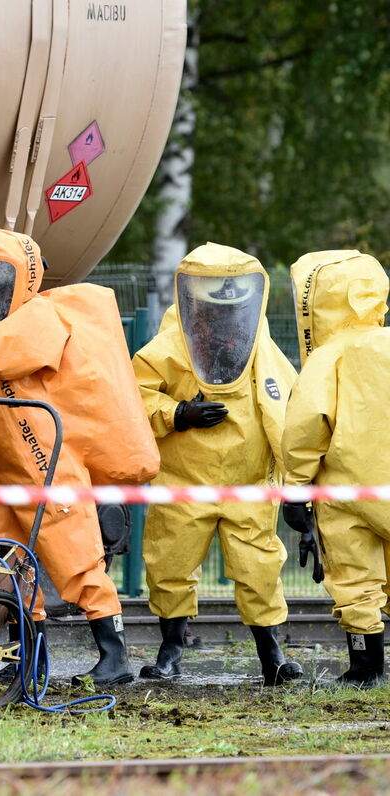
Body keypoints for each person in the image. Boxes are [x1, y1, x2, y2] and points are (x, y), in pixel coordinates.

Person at [0, 228, 152, 687]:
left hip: (46, 464)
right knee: (9, 569)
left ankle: (114, 657)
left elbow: (2, 359)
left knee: (76, 560)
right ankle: (29, 661)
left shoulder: (36, 318)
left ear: (20, 277)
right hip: (1, 475)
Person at [132, 242, 302, 686]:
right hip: (184, 480)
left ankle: (273, 654)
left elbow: (286, 411)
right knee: (168, 565)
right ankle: (170, 650)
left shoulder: (261, 350)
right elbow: (136, 397)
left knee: (259, 569)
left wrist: (293, 483)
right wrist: (178, 414)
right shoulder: (169, 346)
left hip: (248, 483)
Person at [281, 250, 390, 687]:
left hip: (347, 495)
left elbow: (307, 426)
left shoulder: (329, 357)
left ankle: (366, 669)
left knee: (354, 578)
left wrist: (295, 488)